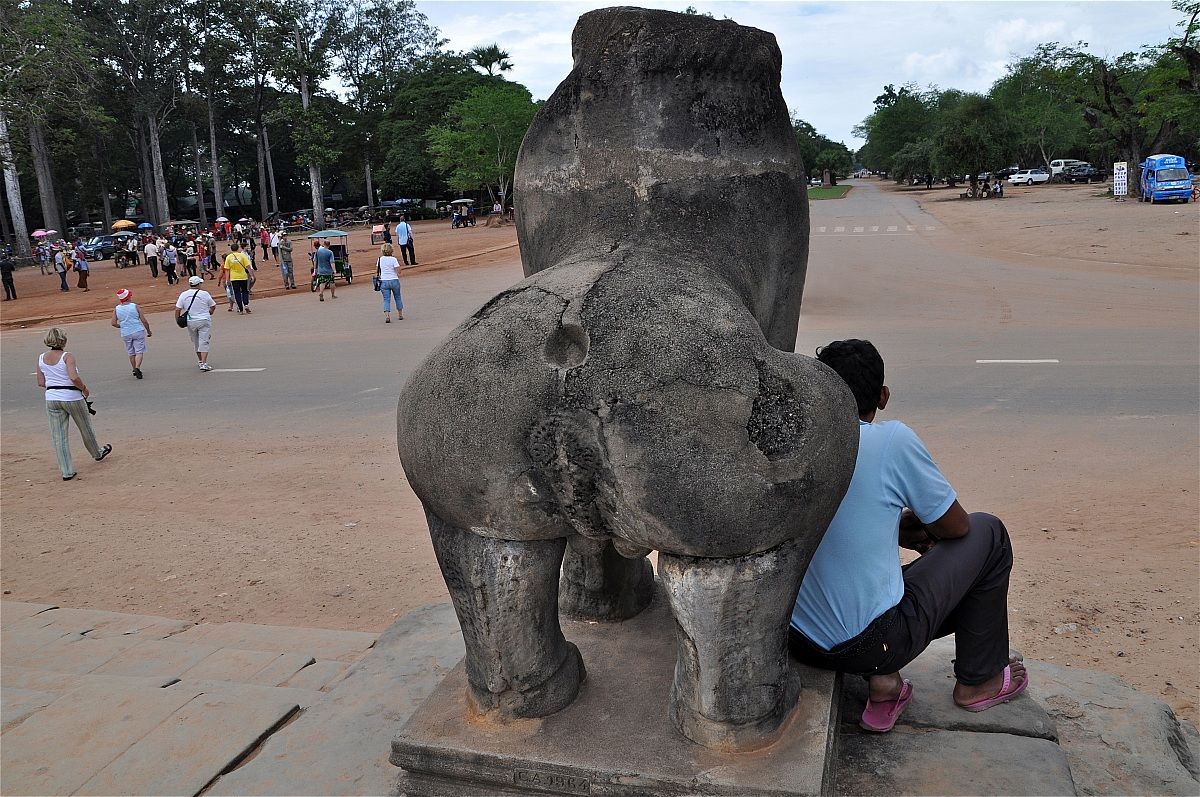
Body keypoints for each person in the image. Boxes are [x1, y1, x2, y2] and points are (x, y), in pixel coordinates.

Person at [790, 339, 1025, 733]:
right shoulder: (890, 441)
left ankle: (885, 683)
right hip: (870, 646)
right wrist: (922, 526)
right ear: (882, 397)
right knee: (989, 534)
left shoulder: (796, 442)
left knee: (857, 574)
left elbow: (832, 522)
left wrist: (894, 525)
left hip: (799, 642)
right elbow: (957, 528)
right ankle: (978, 681)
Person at [36, 327, 113, 479]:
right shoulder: (67, 356)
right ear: (63, 340)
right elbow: (73, 377)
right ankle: (97, 452)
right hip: (72, 397)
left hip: (51, 398)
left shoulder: (41, 358)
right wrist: (84, 389)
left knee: (59, 436)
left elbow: (40, 382)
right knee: (85, 427)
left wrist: (55, 387)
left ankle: (67, 471)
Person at [176, 276, 217, 371]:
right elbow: (213, 306)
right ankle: (204, 363)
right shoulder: (204, 294)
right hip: (203, 320)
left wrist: (178, 320)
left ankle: (200, 361)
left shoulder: (184, 294)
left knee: (196, 342)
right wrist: (210, 312)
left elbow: (178, 309)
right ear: (198, 284)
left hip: (191, 321)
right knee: (204, 341)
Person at [111, 288, 152, 379]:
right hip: (137, 330)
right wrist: (148, 331)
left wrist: (121, 326)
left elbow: (113, 323)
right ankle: (137, 367)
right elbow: (144, 321)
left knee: (131, 352)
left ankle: (134, 368)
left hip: (126, 333)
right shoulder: (134, 306)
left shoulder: (117, 309)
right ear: (128, 297)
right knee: (139, 351)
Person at [219, 242, 253, 314]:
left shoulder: (228, 257)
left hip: (234, 278)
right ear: (238, 248)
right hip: (243, 277)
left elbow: (227, 270)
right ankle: (246, 304)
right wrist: (251, 275)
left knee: (237, 293)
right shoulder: (242, 256)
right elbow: (248, 266)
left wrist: (227, 279)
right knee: (245, 291)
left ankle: (240, 309)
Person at [375, 243, 404, 322]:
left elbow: (377, 270)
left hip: (384, 281)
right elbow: (399, 271)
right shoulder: (393, 259)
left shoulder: (380, 259)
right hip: (394, 279)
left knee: (386, 299)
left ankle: (387, 316)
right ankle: (400, 314)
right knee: (397, 297)